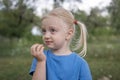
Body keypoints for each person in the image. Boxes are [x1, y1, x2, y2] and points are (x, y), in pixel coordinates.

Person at [29, 7, 92, 80]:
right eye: (44, 31)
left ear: (68, 34)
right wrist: (41, 62)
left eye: (52, 30)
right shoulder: (41, 57)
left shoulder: (80, 63)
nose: (46, 36)